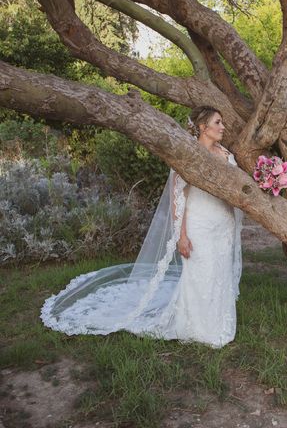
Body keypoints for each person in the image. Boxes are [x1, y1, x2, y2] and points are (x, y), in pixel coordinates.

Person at [41, 107, 243, 348]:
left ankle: (220, 322)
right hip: (199, 222)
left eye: (222, 123)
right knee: (201, 275)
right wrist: (182, 235)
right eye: (218, 122)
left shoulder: (225, 154)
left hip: (223, 224)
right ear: (202, 127)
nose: (223, 127)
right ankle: (198, 328)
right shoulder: (188, 156)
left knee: (219, 273)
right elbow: (178, 197)